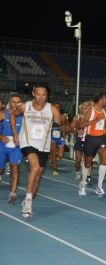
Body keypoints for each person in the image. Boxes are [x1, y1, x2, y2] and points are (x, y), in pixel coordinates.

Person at [10, 85, 61, 218]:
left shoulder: (52, 109)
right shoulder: (25, 106)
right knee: (35, 167)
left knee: (38, 174)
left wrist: (62, 123)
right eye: (38, 94)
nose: (41, 97)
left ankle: (29, 199)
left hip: (43, 145)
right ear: (33, 93)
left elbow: (59, 123)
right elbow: (12, 115)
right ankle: (27, 202)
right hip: (27, 142)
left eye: (44, 95)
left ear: (47, 95)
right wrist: (15, 133)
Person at [79, 93, 106, 197]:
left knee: (104, 161)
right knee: (87, 163)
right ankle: (82, 184)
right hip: (91, 138)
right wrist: (96, 120)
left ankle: (99, 187)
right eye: (105, 99)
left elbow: (104, 124)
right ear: (100, 100)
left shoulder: (104, 111)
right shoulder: (90, 110)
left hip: (102, 138)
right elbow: (81, 124)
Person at [0, 93, 22, 204]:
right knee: (1, 170)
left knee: (15, 168)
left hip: (16, 146)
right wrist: (1, 136)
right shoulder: (3, 114)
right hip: (2, 146)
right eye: (13, 102)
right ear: (9, 102)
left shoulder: (24, 116)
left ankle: (12, 193)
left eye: (18, 102)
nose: (16, 104)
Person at [69, 101, 93, 181]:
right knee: (78, 160)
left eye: (87, 108)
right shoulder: (77, 117)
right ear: (80, 109)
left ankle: (88, 176)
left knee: (88, 159)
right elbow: (71, 129)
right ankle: (78, 172)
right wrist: (77, 131)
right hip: (79, 140)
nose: (85, 109)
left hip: (89, 140)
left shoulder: (91, 118)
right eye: (84, 108)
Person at [49, 102, 69, 176]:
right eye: (55, 107)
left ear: (60, 109)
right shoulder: (49, 116)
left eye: (58, 107)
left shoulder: (63, 117)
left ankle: (52, 159)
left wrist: (64, 132)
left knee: (60, 155)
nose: (56, 109)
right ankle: (55, 168)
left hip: (60, 137)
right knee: (53, 151)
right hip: (51, 136)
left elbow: (67, 127)